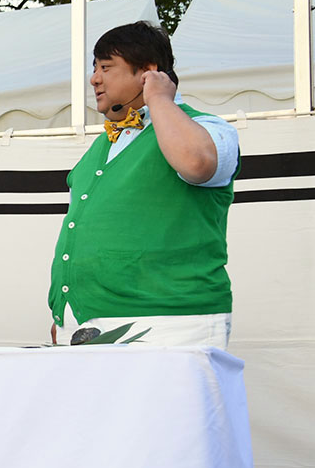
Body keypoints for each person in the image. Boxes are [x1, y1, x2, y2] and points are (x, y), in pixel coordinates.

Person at [48, 21, 239, 347]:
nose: (94, 79)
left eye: (106, 67)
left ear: (148, 72)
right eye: (94, 68)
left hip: (169, 322)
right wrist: (65, 312)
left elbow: (197, 163)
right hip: (84, 321)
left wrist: (160, 98)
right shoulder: (102, 145)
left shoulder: (207, 127)